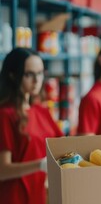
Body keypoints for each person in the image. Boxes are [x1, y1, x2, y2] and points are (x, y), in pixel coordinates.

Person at [0, 48, 63, 204]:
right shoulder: (5, 115)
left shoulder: (42, 111)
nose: (37, 80)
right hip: (14, 197)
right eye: (29, 74)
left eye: (40, 73)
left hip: (39, 194)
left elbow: (60, 144)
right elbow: (2, 170)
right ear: (13, 75)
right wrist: (40, 165)